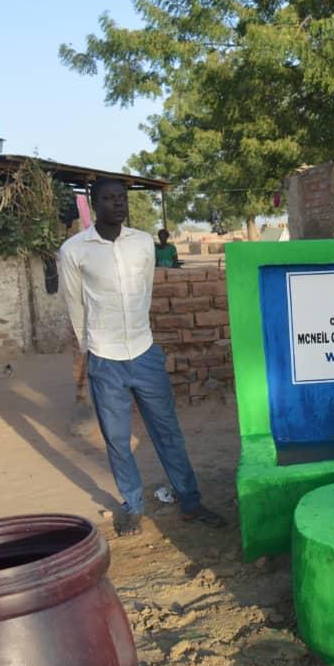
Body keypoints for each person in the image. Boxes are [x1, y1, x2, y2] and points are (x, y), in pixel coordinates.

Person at [60, 178, 226, 536]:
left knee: (168, 432)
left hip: (144, 352)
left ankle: (190, 501)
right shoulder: (74, 250)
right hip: (105, 358)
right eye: (109, 198)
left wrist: (139, 334)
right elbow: (75, 305)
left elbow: (145, 291)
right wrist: (91, 350)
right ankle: (132, 506)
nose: (118, 204)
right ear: (94, 203)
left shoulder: (142, 243)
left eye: (122, 198)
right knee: (118, 440)